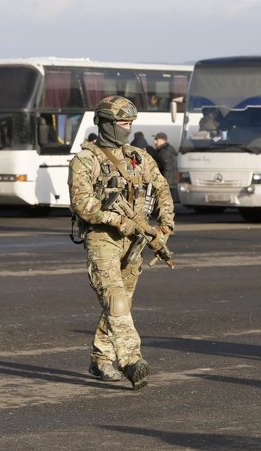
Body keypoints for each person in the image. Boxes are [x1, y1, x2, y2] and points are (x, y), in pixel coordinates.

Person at [68, 95, 175, 390]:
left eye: (131, 123)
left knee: (121, 303)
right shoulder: (85, 160)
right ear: (105, 123)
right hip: (103, 238)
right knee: (114, 297)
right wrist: (118, 221)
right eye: (122, 123)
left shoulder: (139, 157)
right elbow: (82, 204)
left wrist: (165, 226)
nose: (128, 128)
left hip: (135, 242)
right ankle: (131, 359)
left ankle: (101, 358)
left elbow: (162, 189)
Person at [152, 132, 179, 203]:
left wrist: (162, 182)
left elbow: (167, 168)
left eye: (156, 140)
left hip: (167, 184)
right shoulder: (166, 150)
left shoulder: (164, 152)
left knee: (166, 206)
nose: (154, 142)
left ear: (163, 141)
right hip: (170, 183)